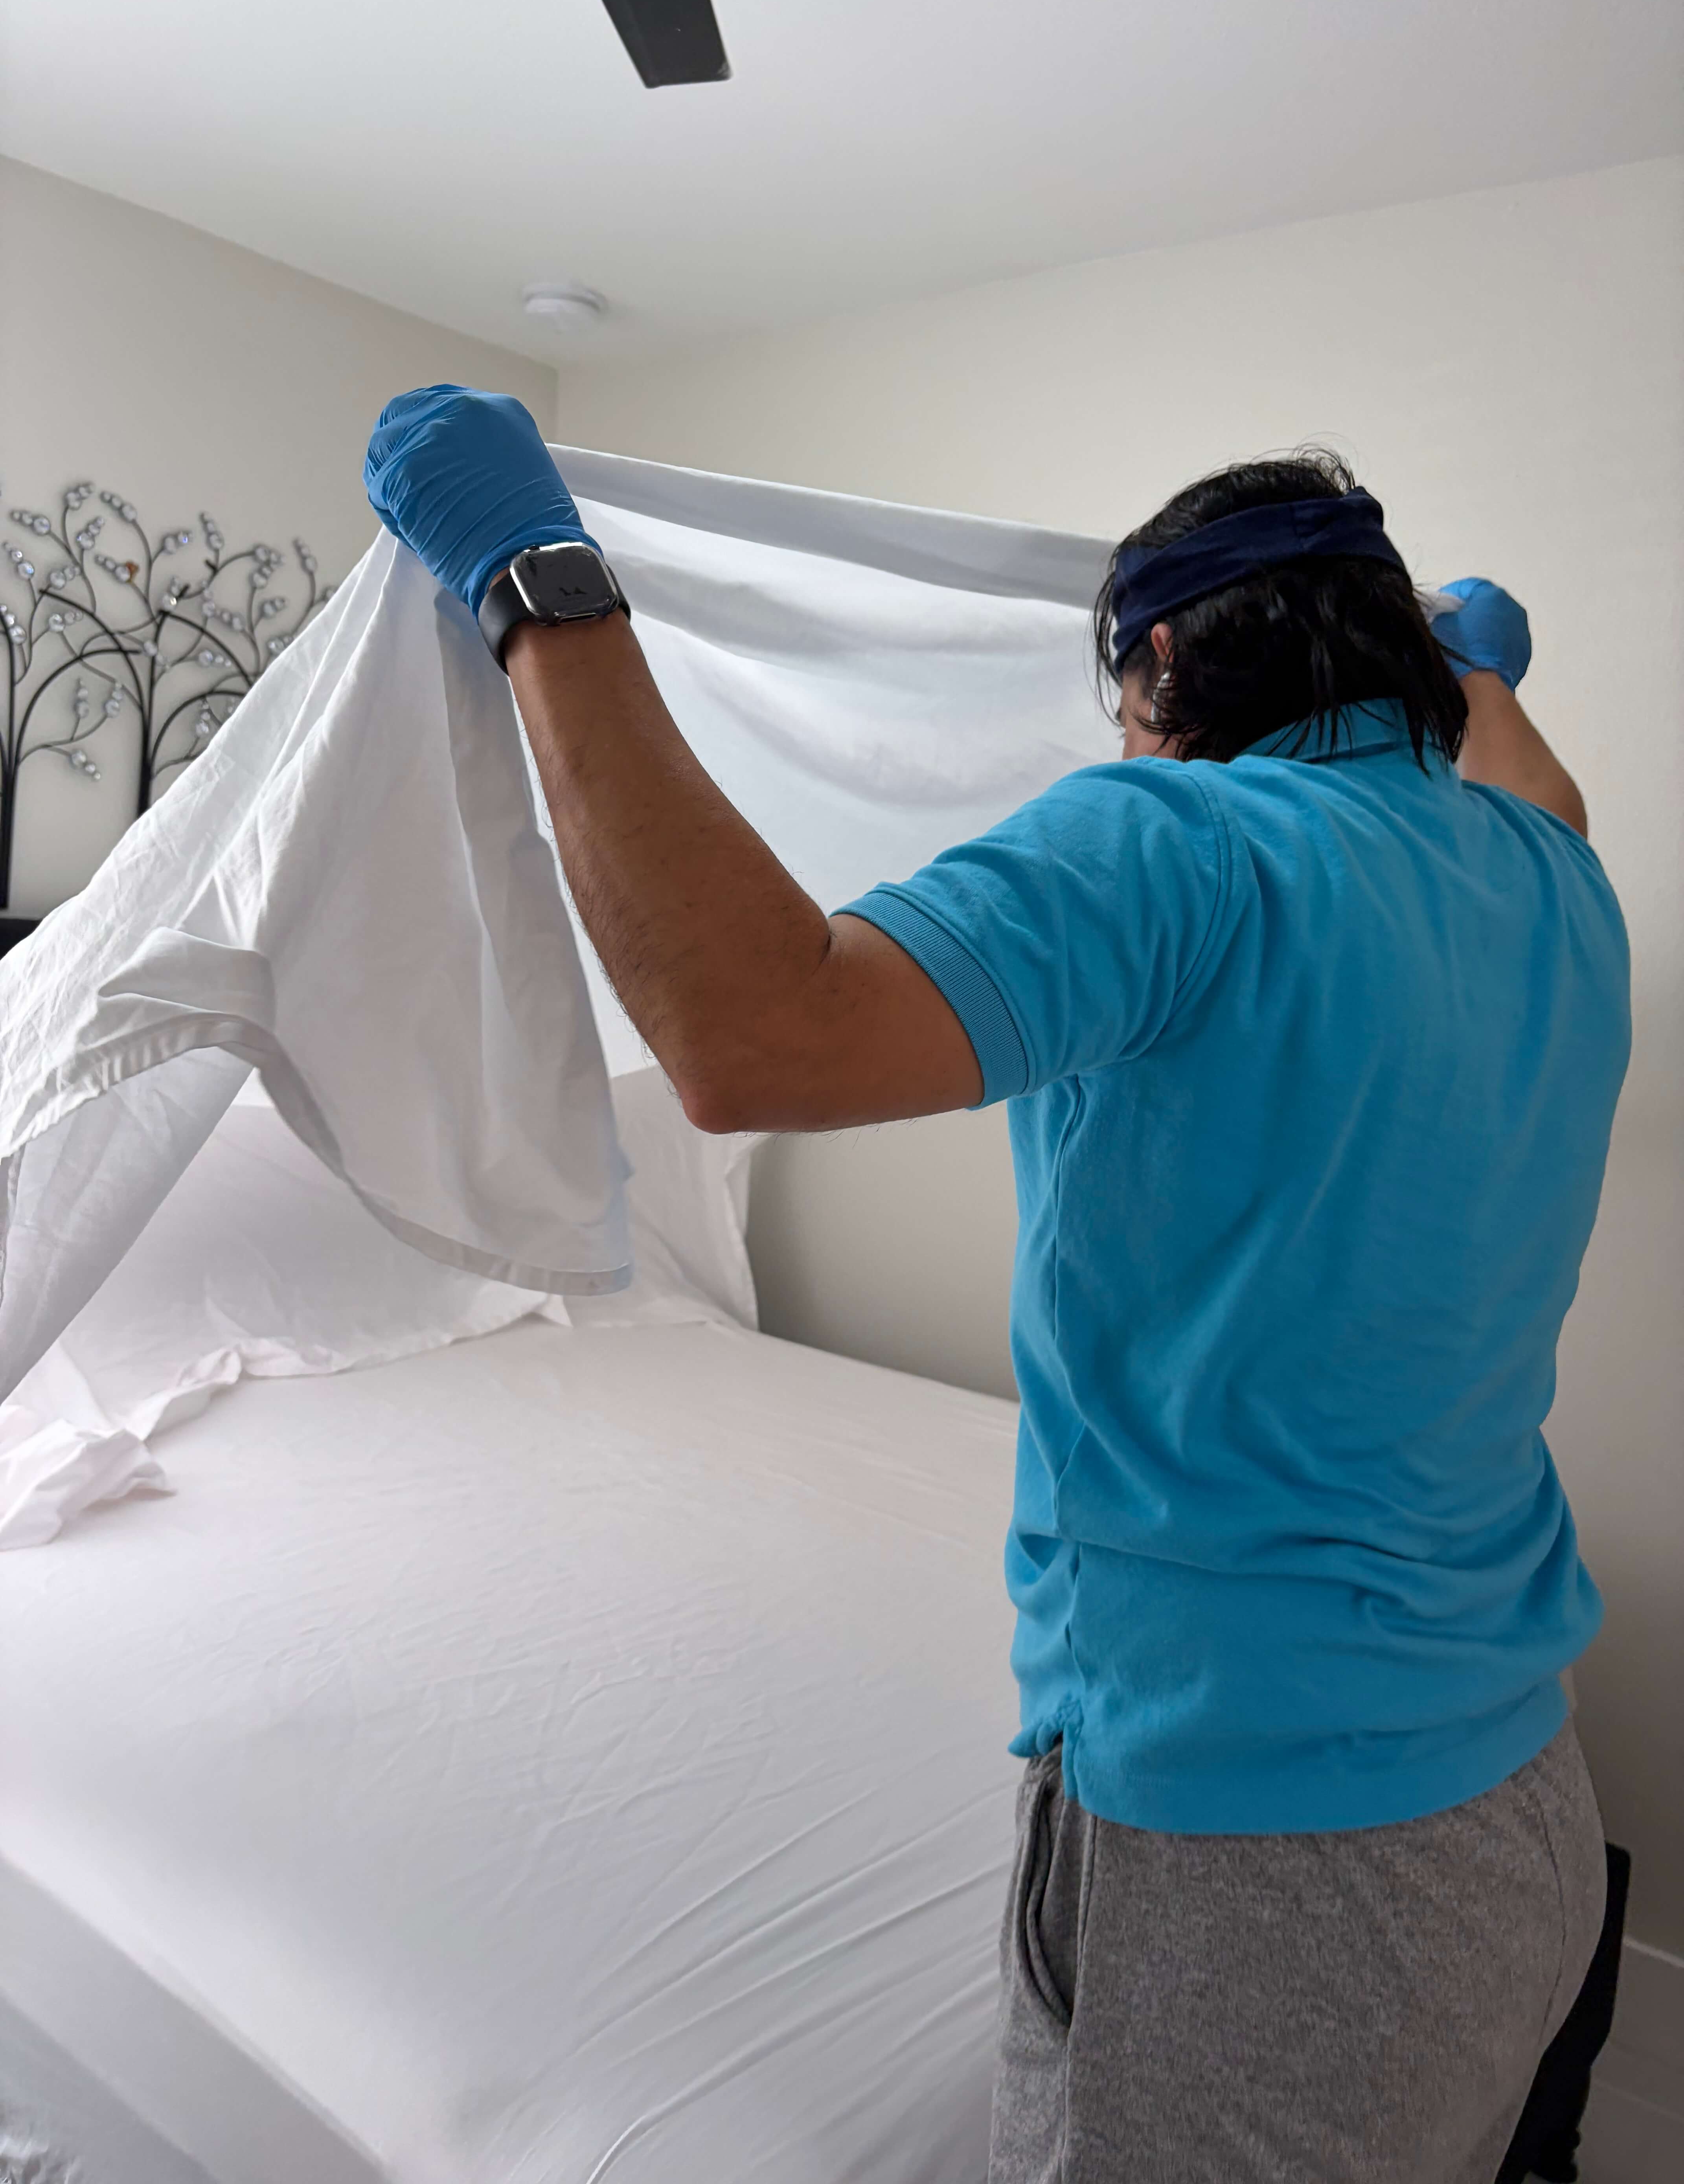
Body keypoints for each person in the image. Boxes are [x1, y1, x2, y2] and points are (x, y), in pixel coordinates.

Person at [364, 389, 1630, 2184]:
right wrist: (1472, 666)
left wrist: (532, 580)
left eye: (1124, 692)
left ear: (1170, 661)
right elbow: (1531, 775)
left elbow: (754, 1033)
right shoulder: (1552, 881)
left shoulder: (1178, 845)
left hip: (1268, 1859)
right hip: (1521, 1807)